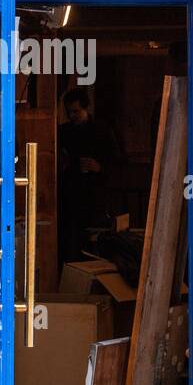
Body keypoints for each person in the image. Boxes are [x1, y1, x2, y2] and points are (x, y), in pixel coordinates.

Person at [57, 87, 121, 262]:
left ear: (86, 108)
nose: (72, 116)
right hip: (70, 193)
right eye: (69, 112)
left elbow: (117, 160)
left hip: (94, 195)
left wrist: (99, 167)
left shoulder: (101, 130)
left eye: (76, 111)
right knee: (69, 240)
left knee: (91, 242)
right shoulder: (63, 132)